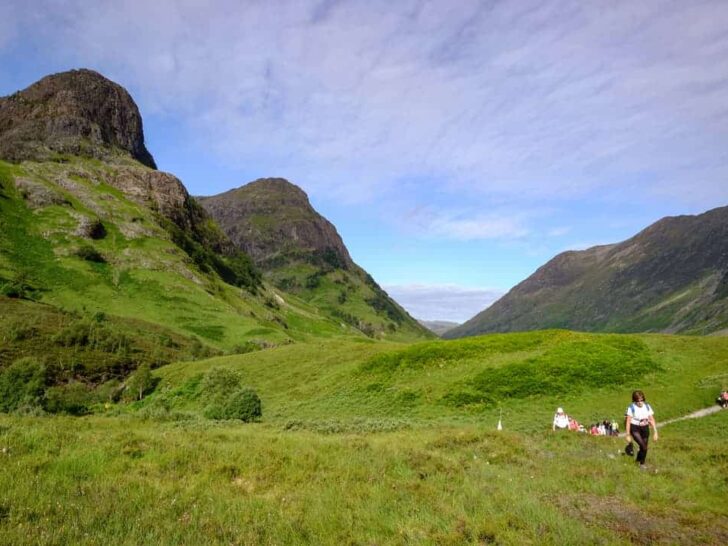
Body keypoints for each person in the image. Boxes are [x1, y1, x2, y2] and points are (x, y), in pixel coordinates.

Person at [624, 390, 658, 469]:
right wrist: (628, 434)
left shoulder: (647, 406)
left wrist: (655, 432)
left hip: (645, 428)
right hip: (635, 428)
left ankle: (637, 461)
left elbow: (652, 419)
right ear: (634, 400)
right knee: (643, 447)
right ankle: (642, 464)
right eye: (637, 400)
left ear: (643, 399)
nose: (640, 402)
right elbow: (628, 422)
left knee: (644, 446)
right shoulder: (631, 408)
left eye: (641, 400)